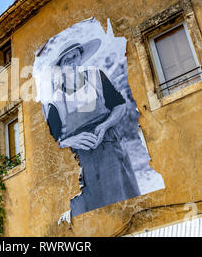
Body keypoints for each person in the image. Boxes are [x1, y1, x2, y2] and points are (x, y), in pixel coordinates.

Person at [45, 38, 140, 217]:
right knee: (97, 216)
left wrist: (105, 125)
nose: (72, 63)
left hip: (112, 149)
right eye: (67, 60)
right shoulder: (56, 101)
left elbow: (120, 106)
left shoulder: (96, 77)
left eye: (75, 57)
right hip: (84, 164)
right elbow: (53, 142)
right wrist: (69, 140)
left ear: (81, 58)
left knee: (127, 207)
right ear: (60, 67)